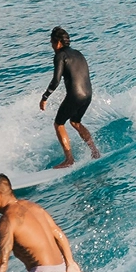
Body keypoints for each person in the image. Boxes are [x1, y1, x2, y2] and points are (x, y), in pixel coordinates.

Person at [39, 26, 99, 168]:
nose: (52, 46)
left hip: (75, 95)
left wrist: (45, 97)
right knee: (75, 122)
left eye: (52, 43)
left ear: (58, 42)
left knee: (59, 124)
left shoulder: (60, 55)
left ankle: (69, 159)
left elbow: (56, 80)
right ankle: (95, 152)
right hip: (88, 94)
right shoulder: (78, 53)